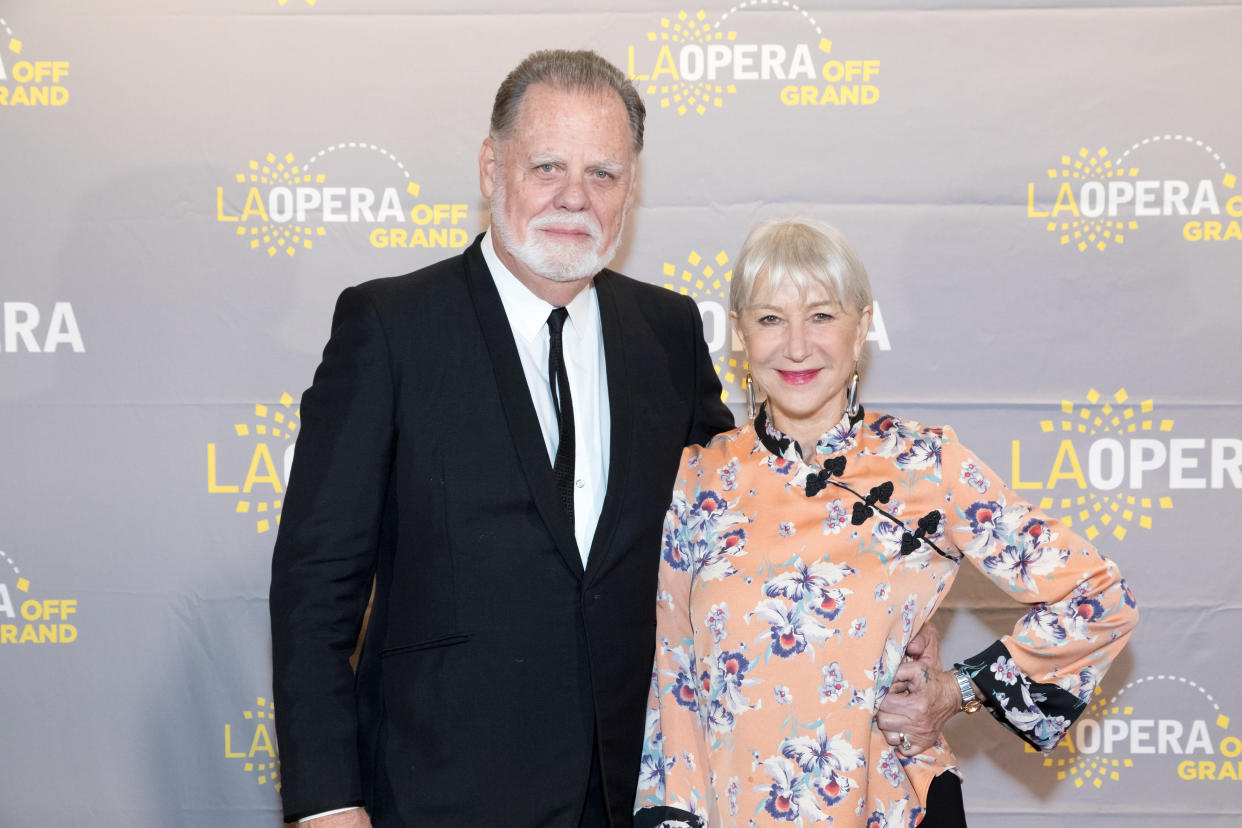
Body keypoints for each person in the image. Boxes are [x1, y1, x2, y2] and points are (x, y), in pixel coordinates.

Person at [268, 50, 737, 827]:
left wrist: (872, 615)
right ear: (492, 169)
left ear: (631, 189)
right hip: (437, 792)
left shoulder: (669, 332)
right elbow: (317, 583)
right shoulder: (390, 328)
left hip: (639, 792)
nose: (574, 198)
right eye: (547, 165)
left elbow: (739, 534)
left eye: (604, 174)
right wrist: (326, 802)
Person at [633, 217, 1138, 827]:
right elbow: (675, 675)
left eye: (821, 316)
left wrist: (957, 690)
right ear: (738, 332)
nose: (796, 346)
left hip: (894, 806)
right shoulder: (699, 478)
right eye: (770, 319)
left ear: (863, 325)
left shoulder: (927, 463)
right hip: (733, 807)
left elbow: (1097, 594)